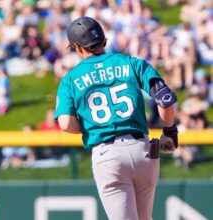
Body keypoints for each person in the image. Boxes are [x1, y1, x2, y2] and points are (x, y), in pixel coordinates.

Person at [55, 17, 178, 220]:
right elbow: (165, 100)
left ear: (77, 47)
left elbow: (66, 124)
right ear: (103, 39)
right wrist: (170, 132)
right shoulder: (131, 63)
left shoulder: (70, 79)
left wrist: (92, 127)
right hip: (142, 150)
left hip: (107, 155)